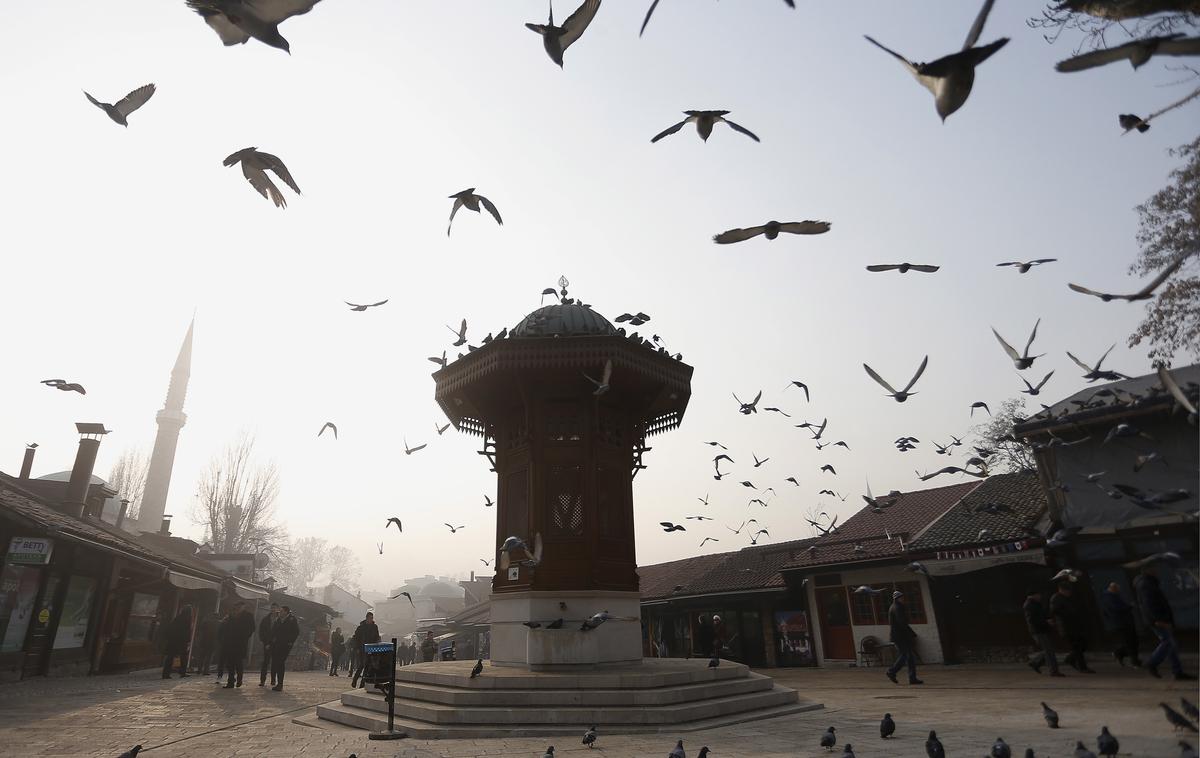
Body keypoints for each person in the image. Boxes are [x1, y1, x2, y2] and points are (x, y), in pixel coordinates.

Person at [1135, 562, 1196, 681]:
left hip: (1160, 619)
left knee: (1171, 645)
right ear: (1148, 570)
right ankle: (1152, 663)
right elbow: (1149, 605)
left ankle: (1177, 672)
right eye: (1154, 568)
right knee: (1168, 643)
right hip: (1158, 620)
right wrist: (1158, 620)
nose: (1157, 570)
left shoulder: (1148, 583)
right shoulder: (1146, 584)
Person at [1049, 579, 1093, 673]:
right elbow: (1055, 611)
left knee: (1082, 645)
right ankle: (1082, 667)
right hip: (1067, 626)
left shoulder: (1067, 598)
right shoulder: (1056, 598)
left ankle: (1071, 659)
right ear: (1061, 589)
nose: (1069, 593)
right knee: (1077, 647)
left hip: (1075, 625)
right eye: (1067, 590)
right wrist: (1068, 613)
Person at [885, 590, 922, 685]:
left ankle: (912, 677)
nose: (903, 599)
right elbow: (902, 623)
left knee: (909, 657)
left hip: (898, 635)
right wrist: (910, 633)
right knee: (905, 655)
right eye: (902, 597)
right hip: (900, 636)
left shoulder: (893, 607)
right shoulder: (897, 608)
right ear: (898, 598)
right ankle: (892, 671)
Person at [1023, 588, 1063, 677]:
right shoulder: (1029, 605)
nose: (1040, 596)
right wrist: (1046, 622)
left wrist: (1047, 620)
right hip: (1038, 631)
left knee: (1049, 650)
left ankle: (1035, 663)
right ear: (1034, 595)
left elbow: (1041, 615)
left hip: (1043, 629)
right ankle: (1053, 670)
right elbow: (1032, 620)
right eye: (1038, 594)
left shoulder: (1036, 604)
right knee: (1049, 651)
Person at [1101, 582, 1141, 668]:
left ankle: (1122, 654)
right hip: (1122, 622)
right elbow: (1117, 608)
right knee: (1130, 642)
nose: (1119, 591)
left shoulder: (1111, 597)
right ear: (1113, 589)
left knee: (1131, 641)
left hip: (1121, 622)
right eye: (1117, 590)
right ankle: (1133, 660)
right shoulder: (1110, 597)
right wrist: (1129, 606)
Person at [222, 601, 255, 689]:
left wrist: (245, 636)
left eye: (240, 606)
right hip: (230, 642)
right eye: (237, 606)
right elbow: (227, 627)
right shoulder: (231, 615)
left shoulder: (248, 616)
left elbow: (252, 628)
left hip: (241, 643)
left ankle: (239, 678)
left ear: (243, 607)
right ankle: (230, 682)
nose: (238, 608)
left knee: (238, 662)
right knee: (230, 663)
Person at [270, 605, 300, 691]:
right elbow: (274, 631)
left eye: (282, 611)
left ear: (286, 612)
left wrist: (290, 642)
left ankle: (280, 684)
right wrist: (271, 641)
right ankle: (276, 681)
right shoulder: (278, 620)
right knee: (276, 662)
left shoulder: (292, 620)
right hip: (277, 644)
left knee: (280, 662)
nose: (280, 613)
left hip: (286, 645)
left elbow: (296, 632)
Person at [161, 605, 193, 679]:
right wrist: (188, 641)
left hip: (173, 640)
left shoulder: (178, 618)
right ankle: (182, 672)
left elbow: (170, 628)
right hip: (182, 641)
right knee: (184, 657)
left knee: (170, 657)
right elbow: (187, 632)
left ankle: (165, 673)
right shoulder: (188, 619)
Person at [350, 612, 381, 688]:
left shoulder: (374, 627)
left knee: (367, 667)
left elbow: (377, 636)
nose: (371, 619)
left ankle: (362, 684)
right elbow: (356, 638)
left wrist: (377, 643)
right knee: (361, 665)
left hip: (371, 649)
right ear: (367, 618)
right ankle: (355, 680)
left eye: (372, 618)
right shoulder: (361, 627)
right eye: (370, 618)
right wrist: (356, 648)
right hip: (362, 649)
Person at [257, 603, 280, 687]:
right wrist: (264, 641)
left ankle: (273, 680)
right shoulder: (266, 619)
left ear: (278, 609)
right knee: (265, 662)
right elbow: (261, 630)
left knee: (274, 662)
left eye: (274, 608)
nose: (273, 609)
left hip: (276, 644)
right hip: (267, 643)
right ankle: (262, 680)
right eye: (272, 608)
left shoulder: (280, 619)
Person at [193, 611, 219, 675]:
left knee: (202, 657)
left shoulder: (206, 622)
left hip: (204, 642)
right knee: (209, 658)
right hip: (212, 643)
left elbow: (201, 631)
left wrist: (199, 640)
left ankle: (199, 670)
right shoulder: (218, 624)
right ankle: (205, 671)